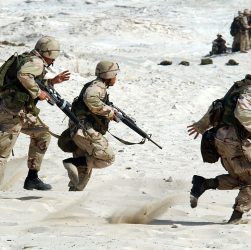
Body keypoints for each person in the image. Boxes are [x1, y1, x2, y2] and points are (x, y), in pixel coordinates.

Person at [0, 36, 70, 190]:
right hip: (11, 113)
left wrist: (51, 82)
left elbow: (27, 82)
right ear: (50, 53)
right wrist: (38, 93)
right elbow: (24, 76)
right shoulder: (36, 62)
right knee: (2, 153)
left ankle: (32, 178)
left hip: (20, 112)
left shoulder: (29, 58)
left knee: (42, 135)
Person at [187, 74, 251, 224]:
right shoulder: (248, 90)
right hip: (234, 142)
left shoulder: (239, 87)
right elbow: (242, 112)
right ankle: (236, 217)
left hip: (221, 139)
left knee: (240, 177)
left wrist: (202, 124)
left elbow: (218, 105)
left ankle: (204, 184)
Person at [62, 61, 119, 191]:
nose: (116, 78)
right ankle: (71, 163)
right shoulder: (97, 86)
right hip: (85, 130)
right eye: (115, 75)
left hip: (80, 130)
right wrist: (109, 112)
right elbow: (90, 98)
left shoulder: (98, 86)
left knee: (81, 177)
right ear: (109, 75)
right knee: (108, 157)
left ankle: (73, 194)